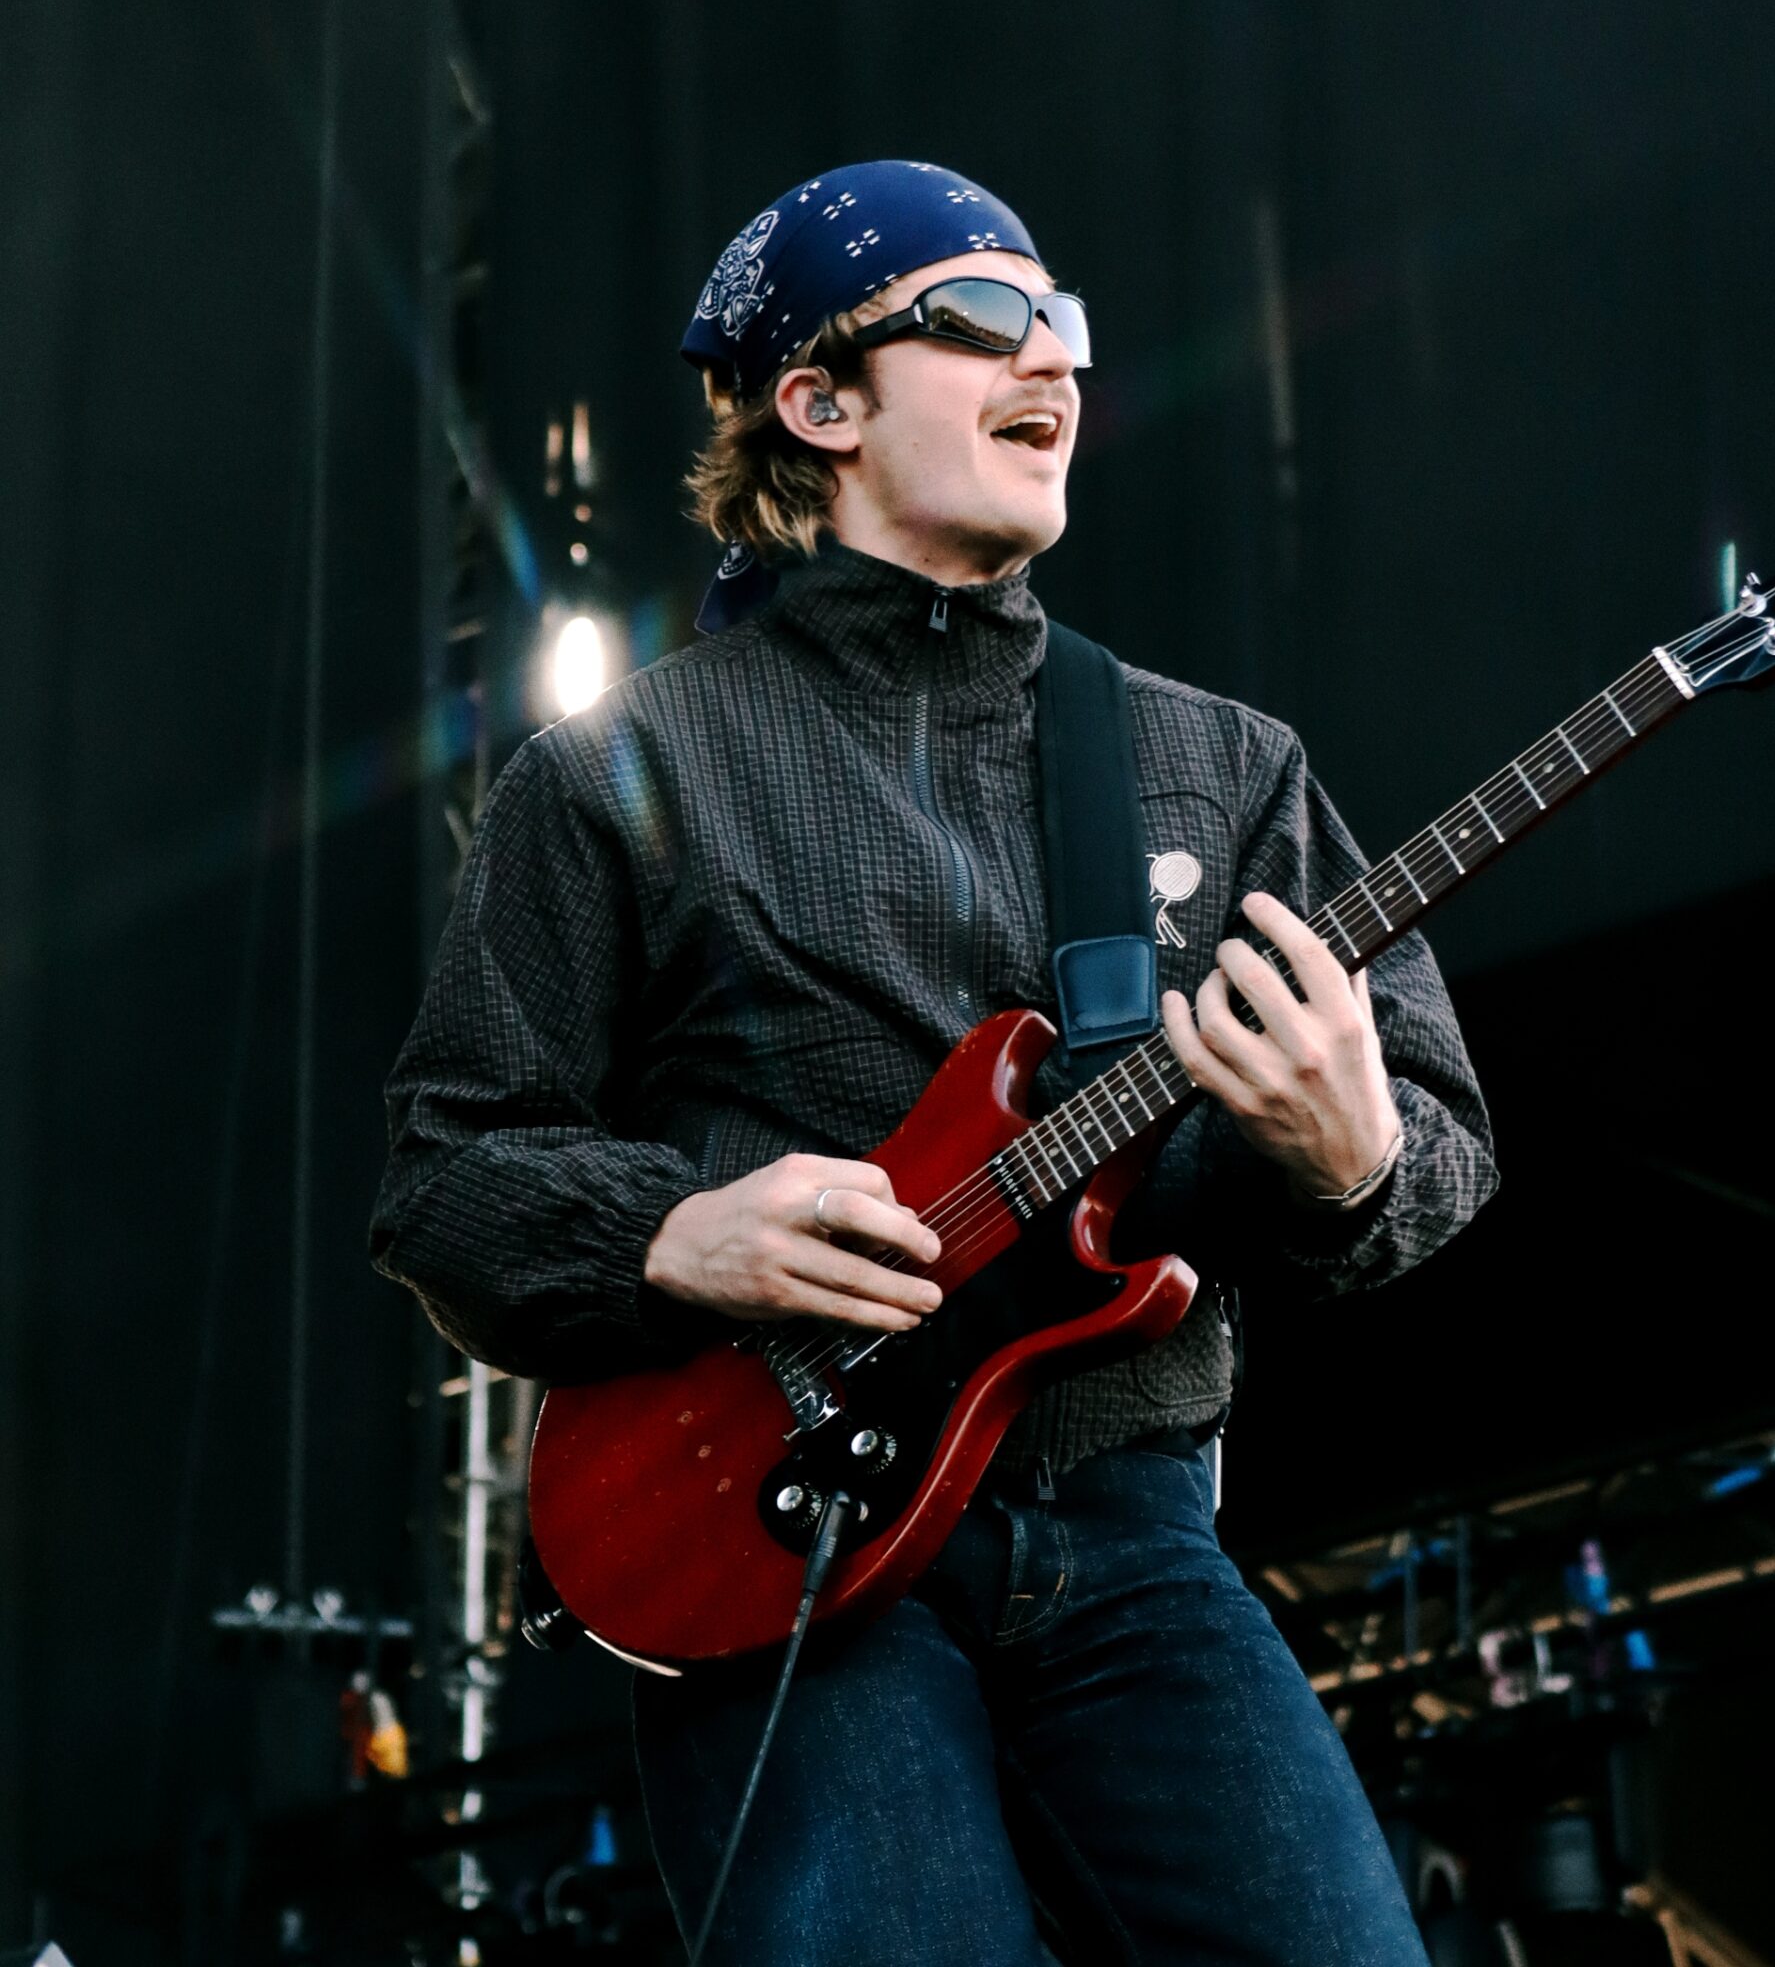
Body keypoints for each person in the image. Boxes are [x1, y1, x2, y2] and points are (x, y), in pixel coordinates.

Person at [372, 160, 1497, 1965]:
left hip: (1131, 1531)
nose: (1049, 358)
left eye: (1059, 322)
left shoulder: (1218, 766)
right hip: (788, 1535)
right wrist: (673, 1233)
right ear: (816, 406)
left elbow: (1434, 1147)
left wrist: (1356, 1158)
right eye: (979, 320)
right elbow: (445, 1173)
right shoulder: (619, 773)